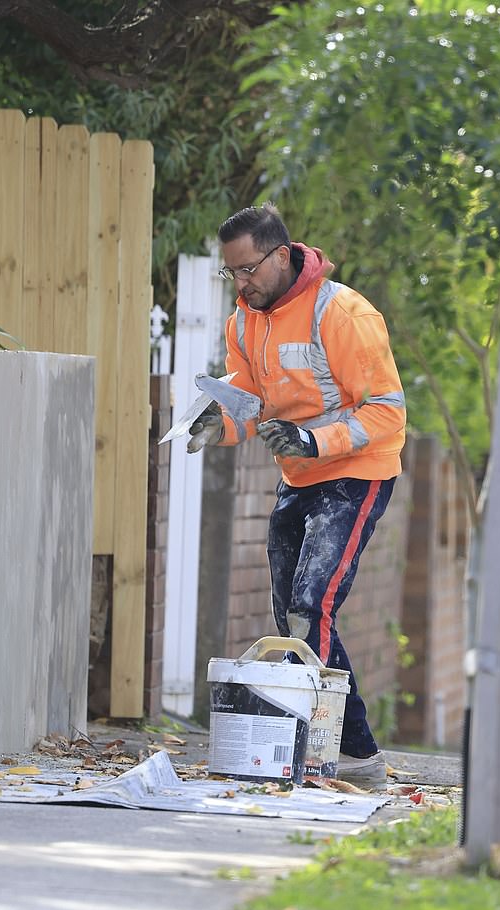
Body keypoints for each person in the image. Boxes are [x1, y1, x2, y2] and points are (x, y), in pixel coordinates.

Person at [187, 202, 406, 789]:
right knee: (291, 620)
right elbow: (251, 402)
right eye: (231, 272)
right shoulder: (244, 322)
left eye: (249, 269)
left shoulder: (345, 314)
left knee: (311, 608)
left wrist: (314, 440)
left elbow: (387, 413)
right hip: (299, 476)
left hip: (357, 473)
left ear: (282, 255)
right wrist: (220, 424)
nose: (242, 282)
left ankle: (323, 750)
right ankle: (359, 754)